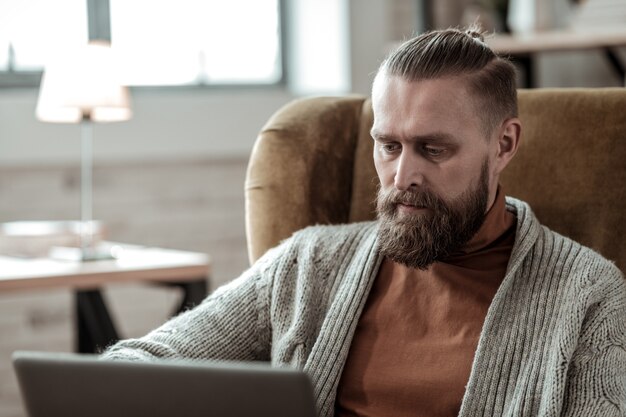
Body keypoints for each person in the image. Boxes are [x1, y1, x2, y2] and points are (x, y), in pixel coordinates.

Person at [102, 27, 626, 417]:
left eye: (433, 149)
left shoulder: (589, 298)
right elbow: (142, 363)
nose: (403, 176)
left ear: (504, 144)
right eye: (389, 146)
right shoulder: (308, 263)